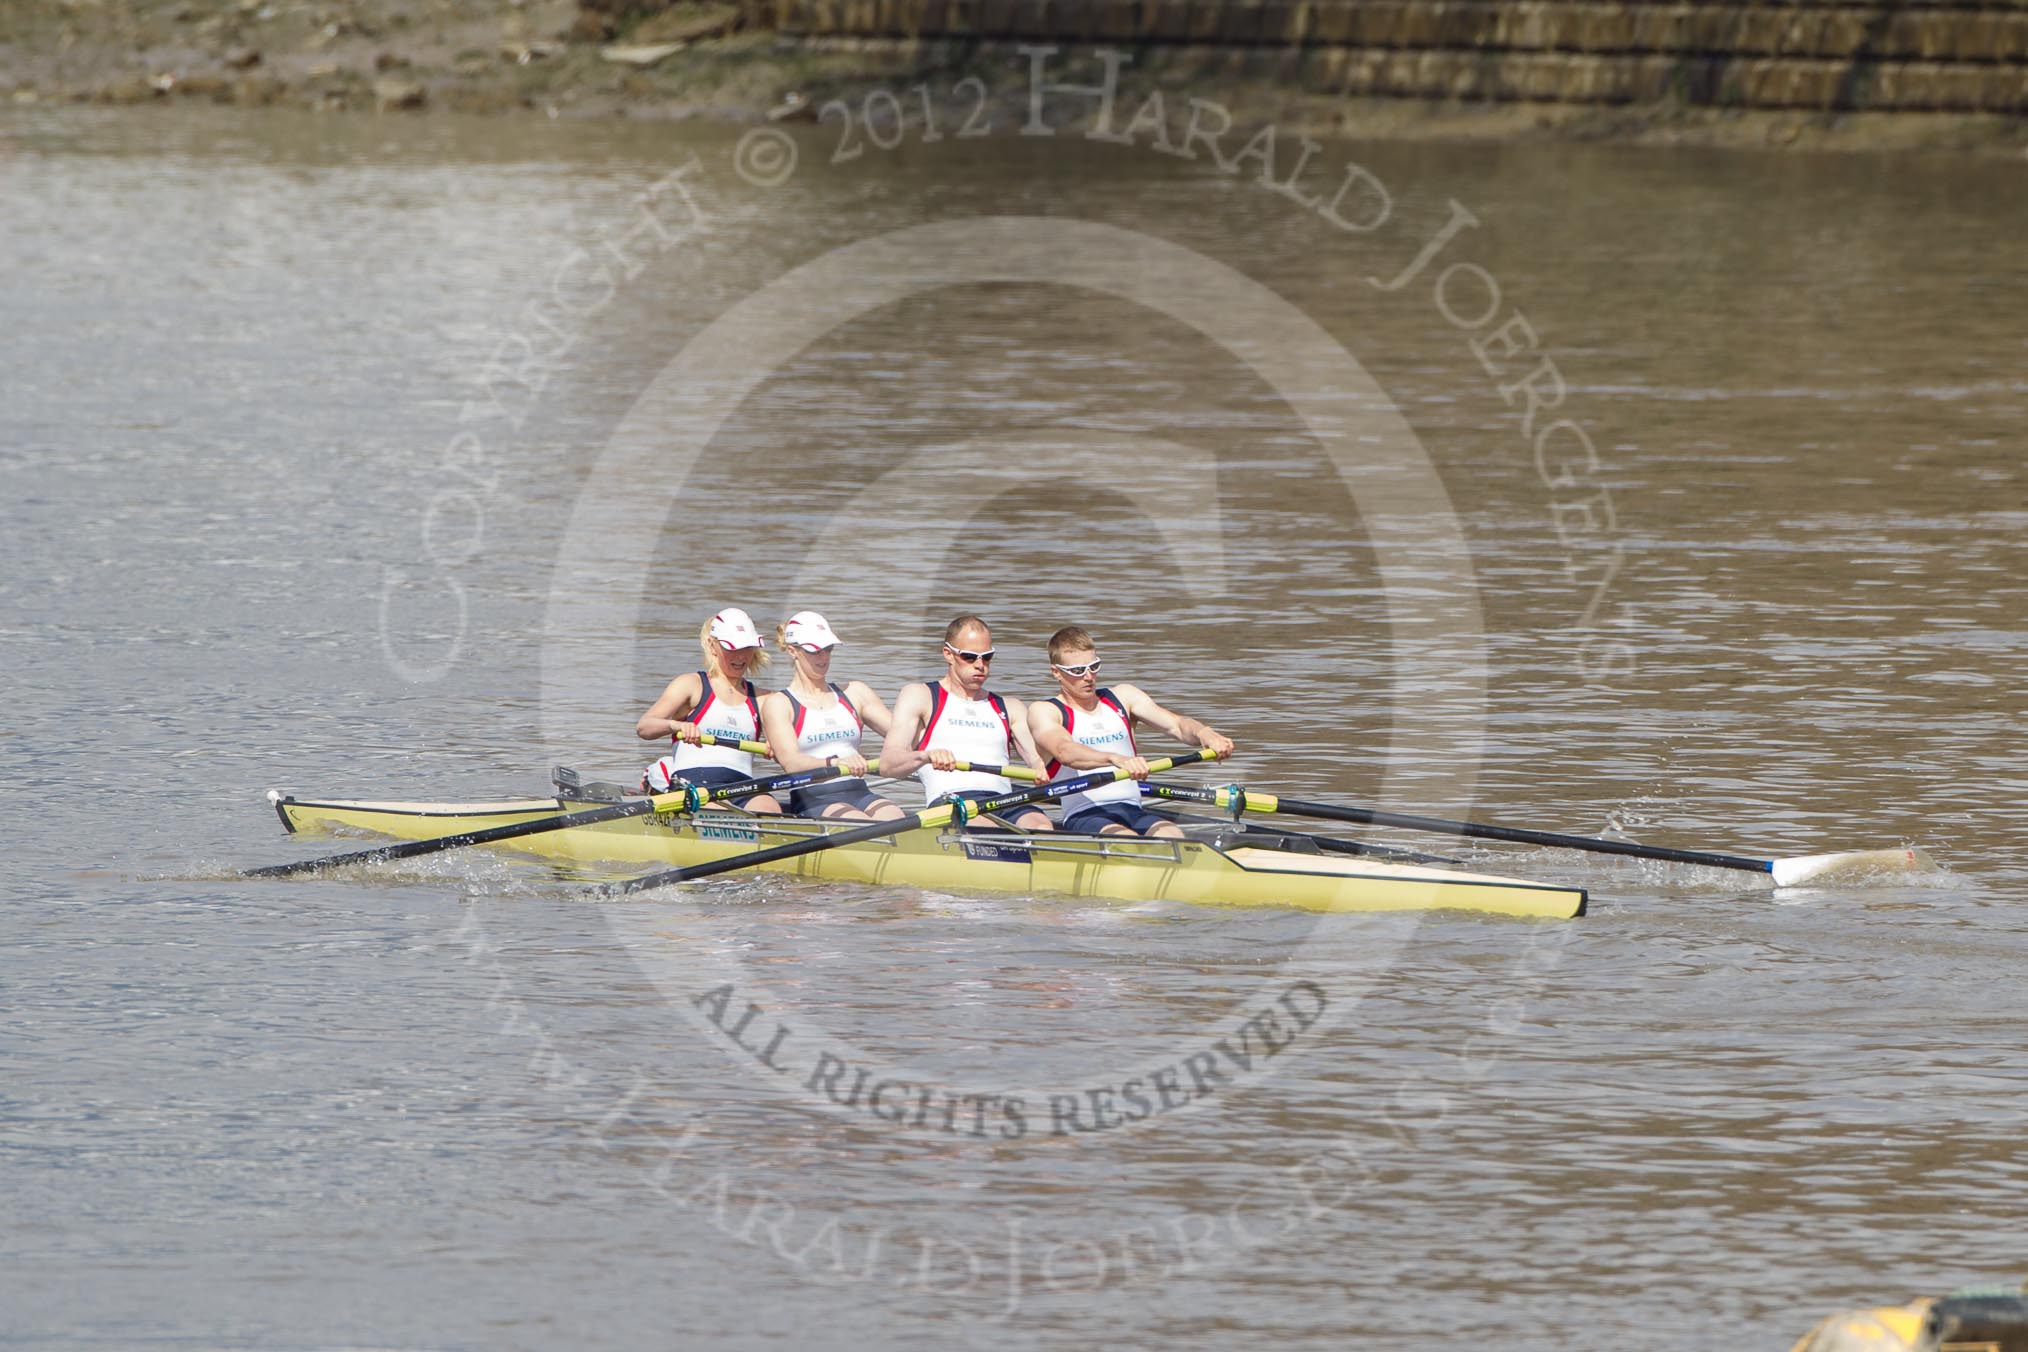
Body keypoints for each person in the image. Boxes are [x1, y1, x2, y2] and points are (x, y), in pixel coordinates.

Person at [1026, 625, 1235, 838]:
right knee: (1128, 840)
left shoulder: (1124, 697)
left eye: (1094, 666)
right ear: (1056, 672)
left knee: (1174, 835)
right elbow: (1065, 751)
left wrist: (1205, 734)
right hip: (1085, 815)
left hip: (1132, 810)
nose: (1089, 677)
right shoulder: (1045, 711)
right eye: (1078, 671)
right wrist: (1116, 759)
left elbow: (1177, 725)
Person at [878, 614, 1054, 831]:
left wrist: (1042, 767)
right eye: (970, 657)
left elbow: (1041, 762)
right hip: (953, 801)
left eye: (987, 657)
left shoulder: (1010, 707)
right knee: (985, 827)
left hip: (1005, 801)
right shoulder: (920, 696)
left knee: (1041, 825)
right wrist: (925, 756)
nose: (980, 665)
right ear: (948, 654)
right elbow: (888, 764)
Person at [759, 611, 905, 822]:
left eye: (828, 649)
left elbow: (902, 735)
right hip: (812, 797)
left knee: (895, 818)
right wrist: (836, 762)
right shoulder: (779, 704)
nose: (824, 657)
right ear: (793, 651)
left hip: (859, 791)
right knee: (856, 820)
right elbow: (791, 762)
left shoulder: (856, 693)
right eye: (815, 651)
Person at [635, 607, 782, 813]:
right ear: (713, 646)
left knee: (770, 808)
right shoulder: (691, 685)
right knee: (719, 811)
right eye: (732, 648)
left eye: (746, 647)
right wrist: (676, 725)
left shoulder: (765, 699)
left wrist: (780, 749)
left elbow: (792, 749)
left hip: (742, 785)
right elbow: (644, 727)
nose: (740, 656)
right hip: (695, 783)